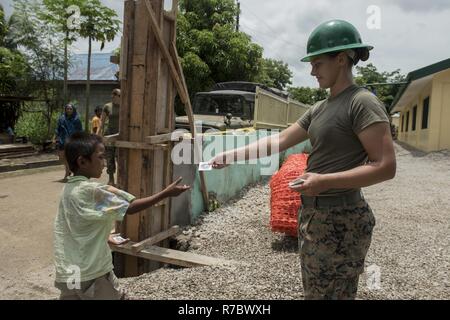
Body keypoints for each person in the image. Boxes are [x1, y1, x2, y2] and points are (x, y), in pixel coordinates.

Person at [209, 20, 396, 300]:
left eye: (318, 63)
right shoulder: (321, 107)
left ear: (342, 59)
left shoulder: (361, 102)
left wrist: (324, 181)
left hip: (341, 219)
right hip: (314, 216)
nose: (311, 71)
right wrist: (230, 155)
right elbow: (279, 141)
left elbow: (385, 166)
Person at [54, 132, 190, 300]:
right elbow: (130, 208)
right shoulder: (92, 190)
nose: (104, 164)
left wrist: (104, 237)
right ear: (82, 161)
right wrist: (165, 194)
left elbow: (75, 227)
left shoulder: (67, 190)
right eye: (101, 157)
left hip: (68, 272)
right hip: (92, 273)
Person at [55, 104, 83, 182]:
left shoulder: (76, 119)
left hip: (72, 140)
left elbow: (80, 130)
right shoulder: (62, 118)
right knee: (61, 157)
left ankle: (69, 172)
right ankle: (69, 169)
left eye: (70, 109)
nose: (69, 110)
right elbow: (58, 128)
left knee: (72, 157)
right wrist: (55, 137)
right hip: (62, 139)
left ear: (73, 110)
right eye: (67, 109)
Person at [100, 89, 121, 185]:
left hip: (121, 135)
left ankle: (121, 179)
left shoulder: (125, 106)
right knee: (109, 157)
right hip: (109, 134)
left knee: (121, 157)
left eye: (117, 95)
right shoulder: (107, 106)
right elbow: (102, 121)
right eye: (113, 95)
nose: (114, 97)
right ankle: (111, 179)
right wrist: (99, 134)